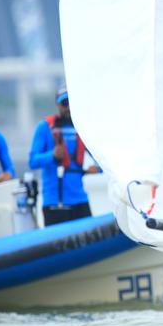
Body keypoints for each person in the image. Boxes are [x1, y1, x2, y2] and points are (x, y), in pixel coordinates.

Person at [29, 87, 100, 225]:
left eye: (71, 103)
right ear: (57, 105)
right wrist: (52, 156)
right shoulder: (44, 128)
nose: (68, 108)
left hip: (80, 201)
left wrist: (97, 168)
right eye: (65, 103)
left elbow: (102, 159)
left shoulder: (82, 128)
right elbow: (32, 161)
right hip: (54, 203)